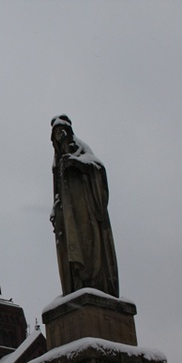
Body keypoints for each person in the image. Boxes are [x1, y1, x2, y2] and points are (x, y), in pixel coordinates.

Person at [50, 114, 119, 297]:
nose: (59, 136)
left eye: (61, 132)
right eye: (55, 134)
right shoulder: (57, 161)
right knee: (71, 247)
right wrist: (55, 208)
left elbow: (98, 168)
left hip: (84, 208)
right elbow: (57, 190)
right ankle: (76, 281)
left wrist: (77, 164)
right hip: (67, 214)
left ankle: (92, 280)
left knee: (88, 243)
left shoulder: (80, 150)